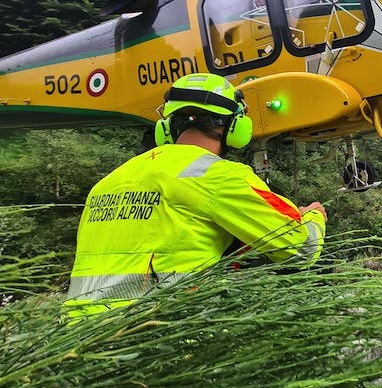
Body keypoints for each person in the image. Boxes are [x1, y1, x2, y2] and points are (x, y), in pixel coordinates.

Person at [64, 73, 327, 317]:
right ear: (235, 127)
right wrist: (314, 217)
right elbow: (300, 248)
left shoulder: (110, 181)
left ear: (167, 126)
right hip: (154, 337)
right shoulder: (219, 176)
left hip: (73, 341)